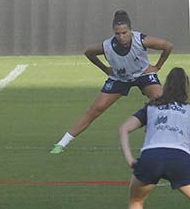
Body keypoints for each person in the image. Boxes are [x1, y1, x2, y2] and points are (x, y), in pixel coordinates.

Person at [52, 10, 174, 154]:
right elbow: (89, 52)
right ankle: (61, 144)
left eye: (124, 32)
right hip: (119, 78)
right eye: (118, 33)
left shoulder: (141, 40)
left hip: (142, 74)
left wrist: (157, 67)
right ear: (113, 32)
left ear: (130, 30)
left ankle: (169, 141)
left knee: (162, 102)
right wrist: (105, 69)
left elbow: (167, 46)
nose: (121, 36)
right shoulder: (107, 46)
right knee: (94, 110)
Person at [117, 67, 190, 209]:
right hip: (180, 159)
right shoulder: (189, 110)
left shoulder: (151, 107)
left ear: (165, 86)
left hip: (151, 157)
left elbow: (124, 129)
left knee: (136, 201)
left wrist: (129, 159)